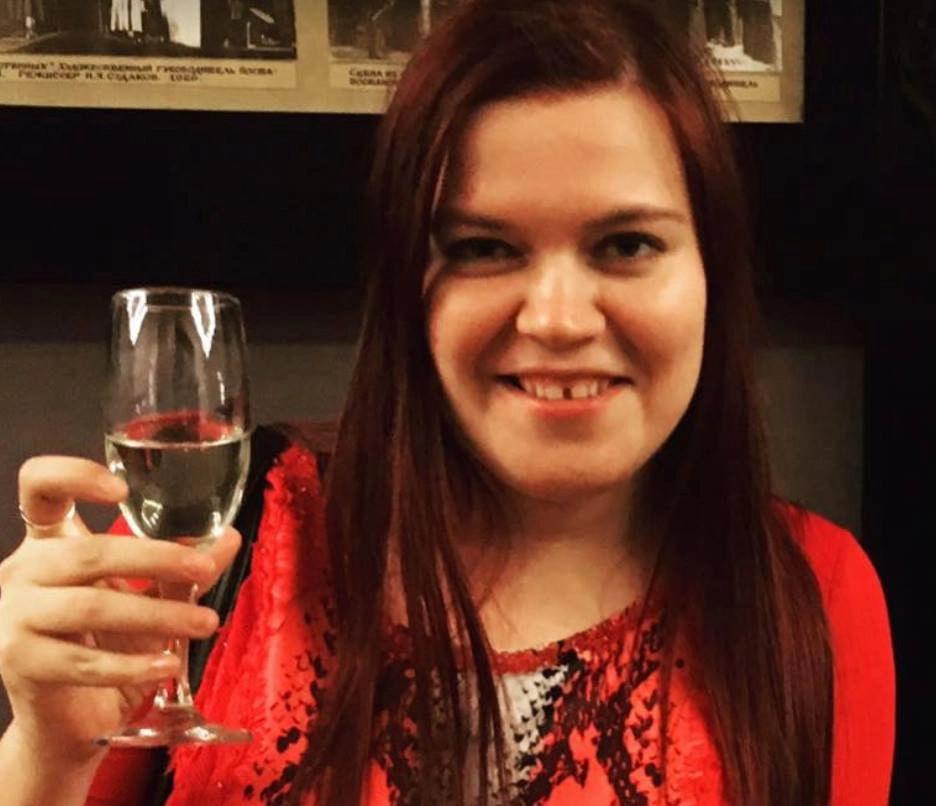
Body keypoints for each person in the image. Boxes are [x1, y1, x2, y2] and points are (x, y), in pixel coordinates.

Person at [0, 0, 895, 804]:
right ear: (408, 290)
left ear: (711, 274)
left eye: (626, 244)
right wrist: (46, 751)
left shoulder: (809, 594)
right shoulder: (224, 540)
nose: (556, 319)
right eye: (483, 249)